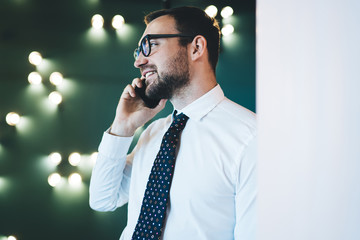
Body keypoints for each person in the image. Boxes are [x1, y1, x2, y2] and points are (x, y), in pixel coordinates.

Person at [89, 6, 257, 240]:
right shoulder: (154, 132)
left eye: (151, 45)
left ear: (196, 47)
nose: (139, 61)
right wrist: (122, 127)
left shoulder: (251, 139)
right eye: (138, 50)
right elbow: (102, 199)